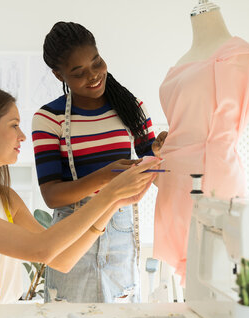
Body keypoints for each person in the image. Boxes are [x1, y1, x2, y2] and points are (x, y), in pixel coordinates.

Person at [0, 84, 160, 304]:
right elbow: (41, 249)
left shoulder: (7, 198)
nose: (22, 136)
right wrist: (108, 194)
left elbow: (62, 260)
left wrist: (115, 201)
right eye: (14, 125)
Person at [32, 21, 167, 303]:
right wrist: (106, 178)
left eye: (96, 62)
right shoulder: (48, 118)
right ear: (59, 75)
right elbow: (52, 195)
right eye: (78, 73)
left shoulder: (132, 108)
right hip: (72, 230)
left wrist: (159, 149)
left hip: (120, 226)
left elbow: (149, 161)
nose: (93, 76)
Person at [153, 2, 249, 284]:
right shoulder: (185, 59)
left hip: (210, 177)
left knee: (213, 272)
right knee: (191, 282)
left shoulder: (237, 55)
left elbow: (223, 127)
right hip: (174, 180)